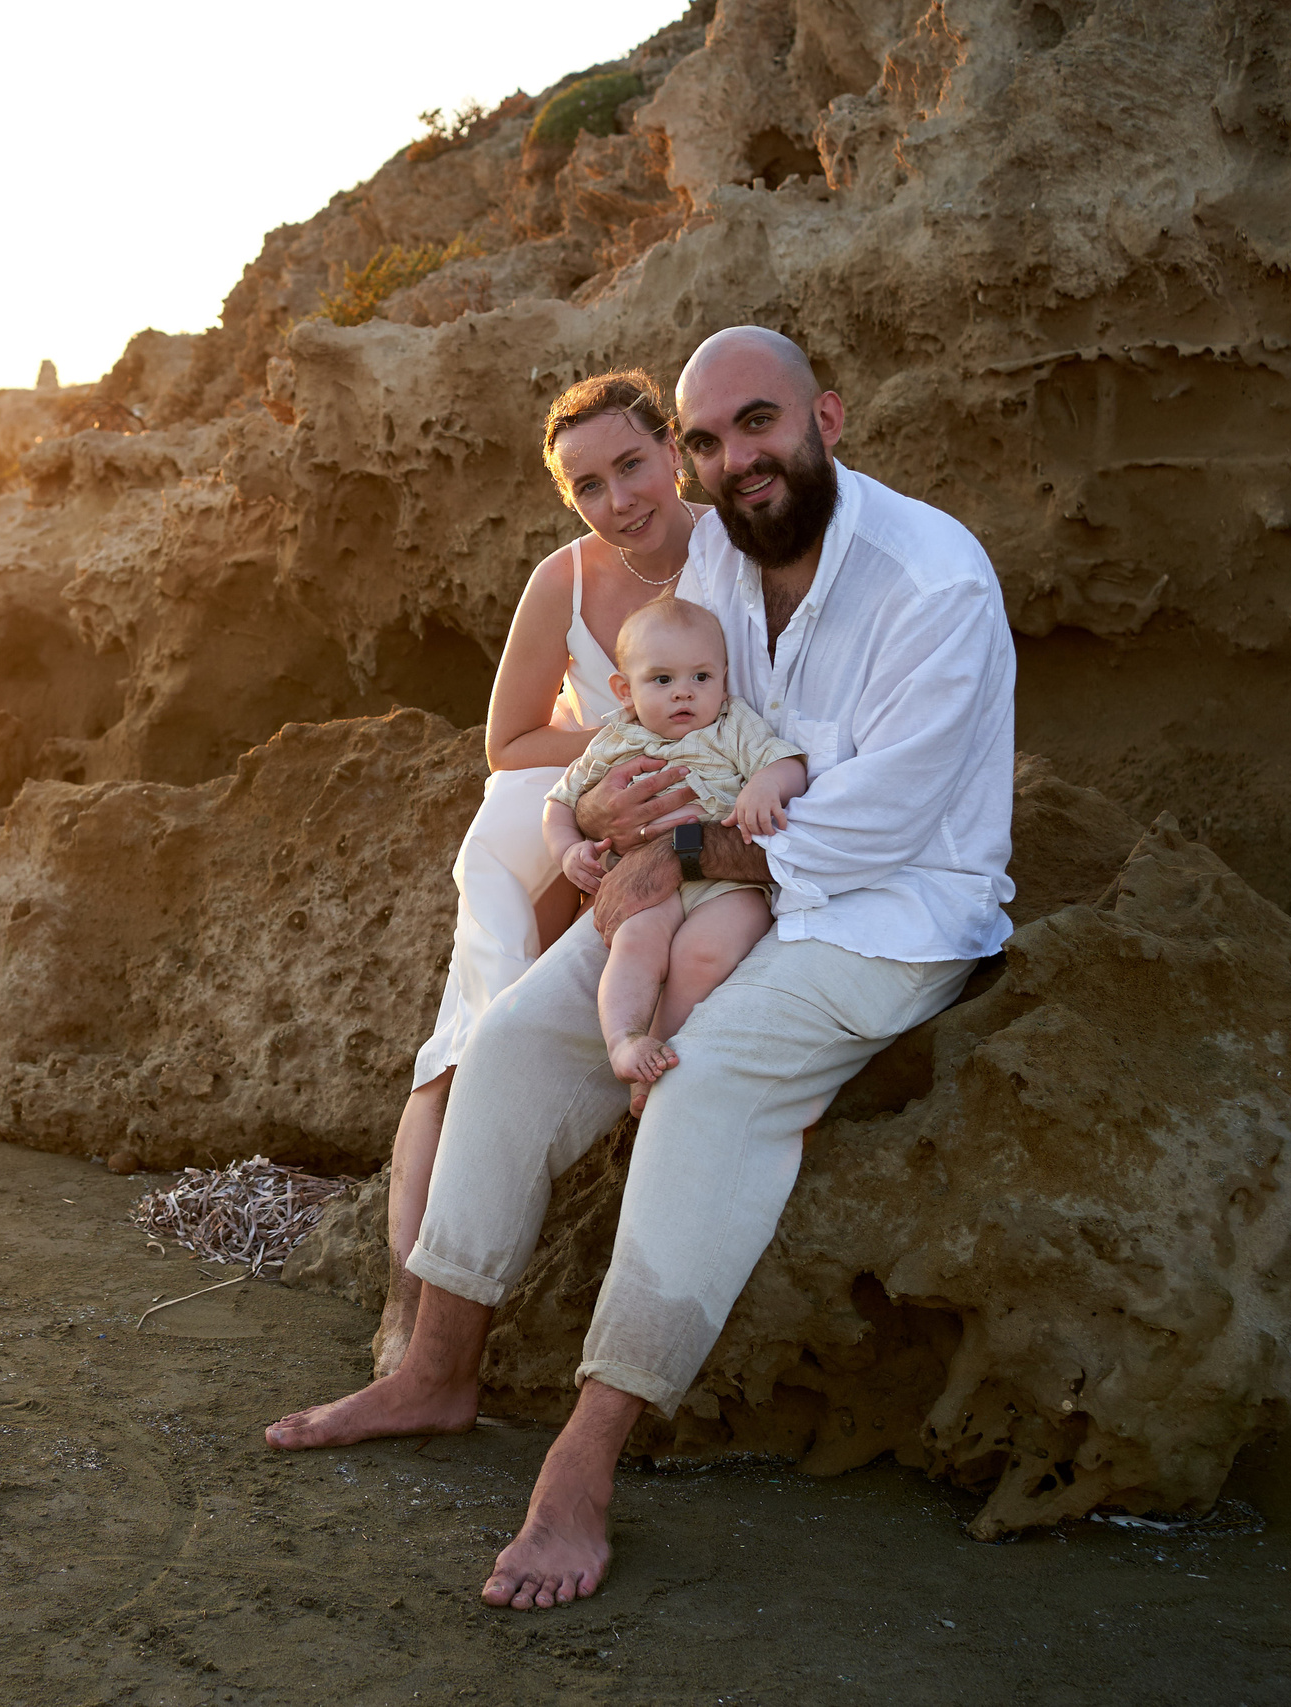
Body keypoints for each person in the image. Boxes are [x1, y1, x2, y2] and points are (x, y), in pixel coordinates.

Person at [265, 326, 1017, 1615]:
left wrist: (665, 843)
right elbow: (660, 737)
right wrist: (608, 830)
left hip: (888, 914)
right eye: (711, 441)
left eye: (761, 425)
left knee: (708, 1083)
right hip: (718, 879)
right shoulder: (717, 558)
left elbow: (869, 830)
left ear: (826, 417)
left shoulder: (931, 584)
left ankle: (581, 1465)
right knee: (508, 1041)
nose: (738, 461)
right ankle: (436, 1368)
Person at [373, 371, 711, 1376]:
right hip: (559, 793)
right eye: (589, 486)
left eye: (632, 467)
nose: (618, 503)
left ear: (674, 453)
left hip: (706, 801)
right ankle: (407, 1297)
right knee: (473, 1005)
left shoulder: (738, 557)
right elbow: (508, 739)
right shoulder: (562, 579)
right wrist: (604, 766)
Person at [541, 596, 806, 1110]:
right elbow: (559, 804)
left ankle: (660, 1052)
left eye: (701, 677)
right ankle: (624, 1039)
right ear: (625, 690)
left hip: (729, 881)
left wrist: (765, 787)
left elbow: (788, 763)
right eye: (661, 680)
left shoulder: (732, 725)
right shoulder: (614, 741)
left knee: (703, 955)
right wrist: (568, 850)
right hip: (644, 883)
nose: (684, 692)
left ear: (724, 680)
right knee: (636, 943)